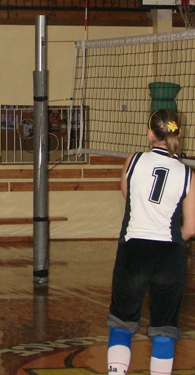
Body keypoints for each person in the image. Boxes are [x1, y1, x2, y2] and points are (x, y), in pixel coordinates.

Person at [106, 109, 195, 375]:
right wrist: (174, 238)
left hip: (133, 250)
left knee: (121, 325)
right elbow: (191, 227)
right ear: (179, 133)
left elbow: (127, 194)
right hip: (169, 255)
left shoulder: (133, 160)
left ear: (149, 134)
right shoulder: (187, 174)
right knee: (164, 329)